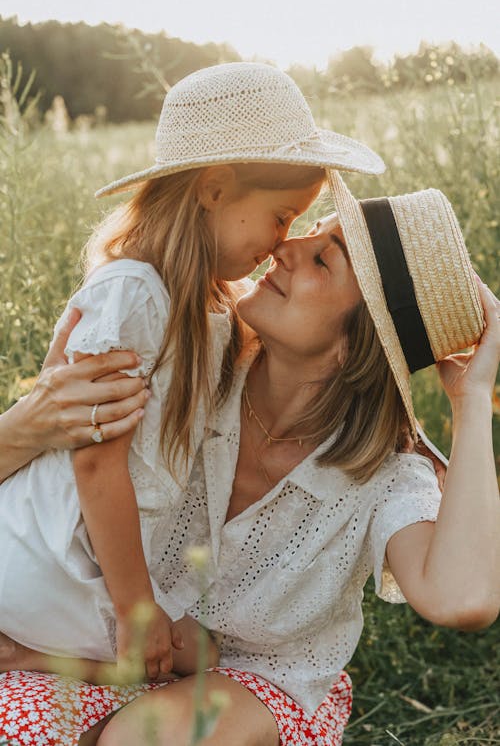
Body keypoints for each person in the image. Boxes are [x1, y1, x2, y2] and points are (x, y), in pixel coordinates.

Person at [0, 178, 498, 746]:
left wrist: (472, 400)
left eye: (322, 259)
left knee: (148, 739)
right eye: (303, 231)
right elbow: (50, 471)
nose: (284, 248)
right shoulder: (188, 353)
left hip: (255, 689)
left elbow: (465, 600)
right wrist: (25, 424)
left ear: (354, 345)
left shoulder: (383, 475)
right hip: (114, 650)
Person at [0, 61, 384, 684]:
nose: (281, 242)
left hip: (101, 558)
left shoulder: (213, 305)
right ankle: (33, 656)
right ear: (213, 190)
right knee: (166, 654)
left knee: (205, 657)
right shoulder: (134, 293)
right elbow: (95, 460)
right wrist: (136, 607)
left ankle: (34, 656)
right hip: (54, 557)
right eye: (282, 217)